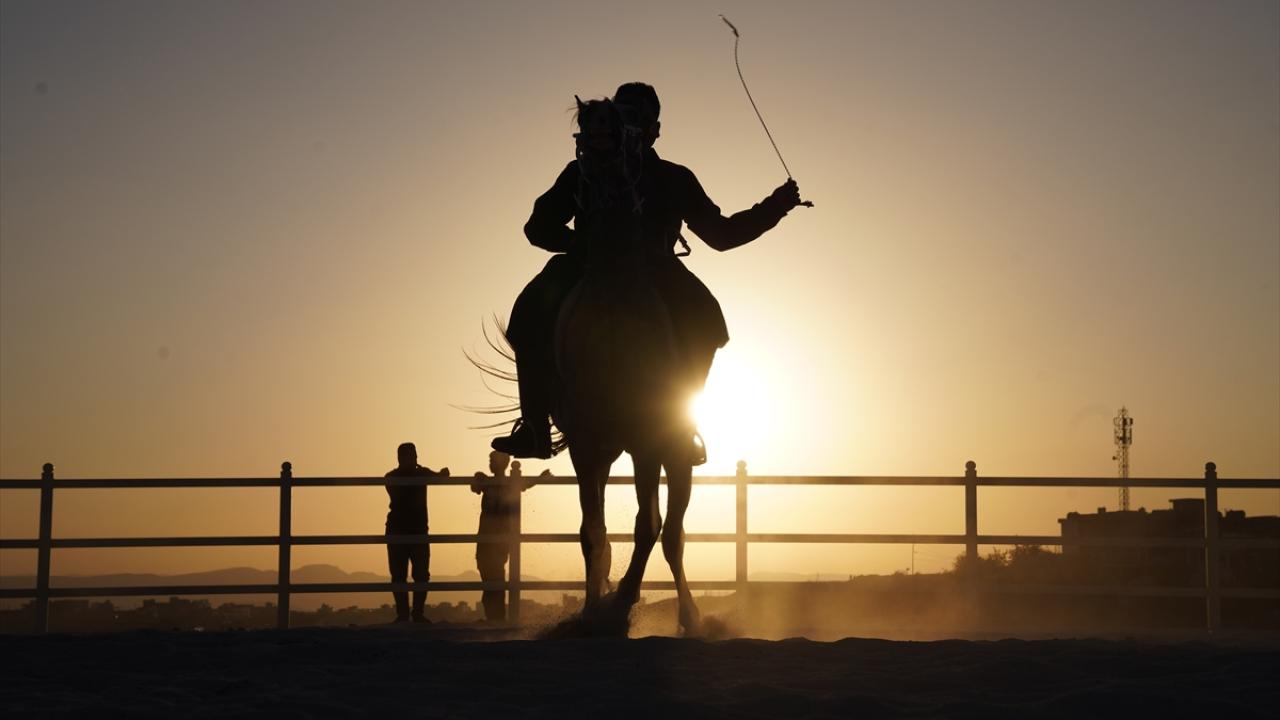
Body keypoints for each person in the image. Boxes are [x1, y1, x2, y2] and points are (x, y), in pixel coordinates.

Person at [492, 81, 803, 460]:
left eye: (639, 118)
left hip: (656, 267)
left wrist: (777, 205)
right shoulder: (580, 171)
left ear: (654, 129)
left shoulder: (675, 177)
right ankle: (535, 425)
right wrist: (579, 244)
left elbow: (721, 235)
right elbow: (537, 227)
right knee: (528, 311)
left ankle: (682, 424)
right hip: (587, 263)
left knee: (707, 319)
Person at [470, 451, 539, 622]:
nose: (490, 463)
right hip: (493, 537)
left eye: (492, 460)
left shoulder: (499, 482)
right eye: (490, 460)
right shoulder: (495, 481)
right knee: (492, 575)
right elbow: (475, 486)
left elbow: (475, 487)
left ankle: (495, 616)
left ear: (503, 463)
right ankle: (496, 616)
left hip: (493, 537)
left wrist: (539, 478)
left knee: (492, 576)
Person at [384, 442, 447, 623]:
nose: (414, 459)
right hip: (404, 530)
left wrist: (439, 473)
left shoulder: (412, 474)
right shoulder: (395, 476)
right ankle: (407, 614)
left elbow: (440, 478)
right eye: (411, 456)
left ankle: (412, 613)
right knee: (401, 574)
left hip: (411, 530)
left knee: (418, 574)